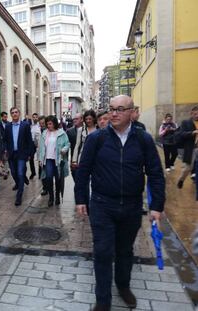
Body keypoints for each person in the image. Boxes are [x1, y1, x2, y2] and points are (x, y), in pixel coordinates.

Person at [75, 95, 165, 311]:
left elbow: (155, 173)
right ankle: (103, 300)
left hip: (132, 207)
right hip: (102, 205)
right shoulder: (97, 139)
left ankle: (123, 286)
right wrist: (80, 199)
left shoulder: (143, 139)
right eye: (111, 109)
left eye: (120, 109)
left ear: (131, 112)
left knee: (125, 251)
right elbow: (84, 170)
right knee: (103, 251)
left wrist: (157, 206)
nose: (114, 113)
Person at [4, 107, 34, 206]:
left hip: (22, 154)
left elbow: (29, 141)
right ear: (10, 115)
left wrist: (30, 154)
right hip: (12, 154)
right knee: (13, 172)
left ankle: (19, 196)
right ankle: (21, 181)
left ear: (19, 113)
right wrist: (5, 150)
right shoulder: (8, 126)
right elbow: (5, 140)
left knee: (20, 173)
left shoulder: (25, 125)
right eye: (12, 113)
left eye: (16, 112)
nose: (14, 114)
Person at [38, 115, 70, 207]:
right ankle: (51, 197)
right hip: (48, 159)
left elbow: (67, 144)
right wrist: (40, 159)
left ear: (54, 123)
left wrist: (64, 149)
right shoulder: (44, 133)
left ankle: (57, 197)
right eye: (47, 124)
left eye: (50, 124)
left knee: (58, 179)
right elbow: (41, 147)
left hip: (58, 159)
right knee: (48, 178)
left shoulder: (61, 133)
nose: (48, 126)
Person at [176, 106, 198, 189]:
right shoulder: (185, 122)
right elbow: (181, 134)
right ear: (191, 114)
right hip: (191, 148)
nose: (197, 115)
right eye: (195, 114)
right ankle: (181, 180)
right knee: (188, 168)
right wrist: (192, 132)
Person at [66, 113, 83, 181]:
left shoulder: (86, 130)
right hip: (74, 160)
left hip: (84, 160)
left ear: (82, 119)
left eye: (77, 119)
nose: (74, 120)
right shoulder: (70, 131)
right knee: (75, 178)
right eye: (74, 119)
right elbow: (67, 146)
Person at [37, 116, 48, 195]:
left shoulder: (49, 131)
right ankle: (45, 188)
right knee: (42, 173)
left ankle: (47, 188)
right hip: (40, 156)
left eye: (43, 123)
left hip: (48, 155)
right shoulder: (38, 131)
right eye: (40, 123)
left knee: (47, 173)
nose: (41, 125)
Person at [29, 113, 40, 179]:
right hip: (32, 144)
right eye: (34, 117)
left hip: (39, 144)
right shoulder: (30, 126)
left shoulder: (40, 126)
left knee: (39, 158)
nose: (35, 118)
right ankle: (33, 173)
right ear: (32, 118)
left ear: (37, 118)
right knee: (31, 159)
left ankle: (40, 172)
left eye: (36, 117)